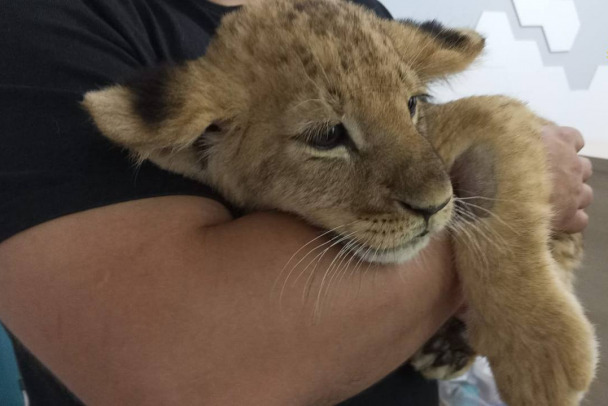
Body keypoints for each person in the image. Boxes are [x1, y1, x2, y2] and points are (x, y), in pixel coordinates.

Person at [0, 0, 593, 404]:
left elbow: (470, 125)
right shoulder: (41, 24)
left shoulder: (351, 13)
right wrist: (500, 230)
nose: (429, 192)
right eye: (325, 135)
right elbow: (185, 379)